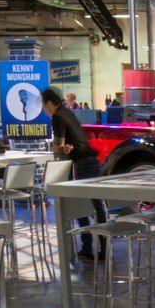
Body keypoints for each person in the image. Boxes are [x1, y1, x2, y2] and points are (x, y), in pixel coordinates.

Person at [44, 86, 108, 261]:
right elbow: (68, 143)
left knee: (80, 207)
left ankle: (87, 247)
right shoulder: (68, 112)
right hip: (93, 161)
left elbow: (58, 147)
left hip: (83, 164)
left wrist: (57, 147)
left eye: (44, 106)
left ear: (50, 103)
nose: (44, 110)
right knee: (98, 206)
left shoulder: (57, 116)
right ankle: (104, 248)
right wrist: (65, 147)